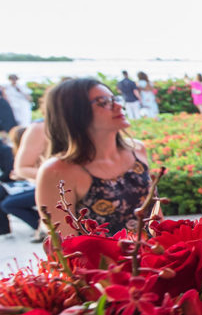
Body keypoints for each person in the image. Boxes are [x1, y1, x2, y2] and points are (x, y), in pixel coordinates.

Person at [36, 78, 153, 237]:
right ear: (75, 112)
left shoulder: (137, 150)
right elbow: (64, 246)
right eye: (103, 102)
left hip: (155, 256)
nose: (118, 106)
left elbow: (155, 215)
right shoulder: (57, 171)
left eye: (114, 99)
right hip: (103, 261)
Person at [1, 122, 46, 241]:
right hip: (35, 187)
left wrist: (23, 174)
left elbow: (42, 175)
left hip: (42, 188)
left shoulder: (37, 151)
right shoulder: (28, 153)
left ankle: (42, 227)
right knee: (5, 199)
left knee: (8, 203)